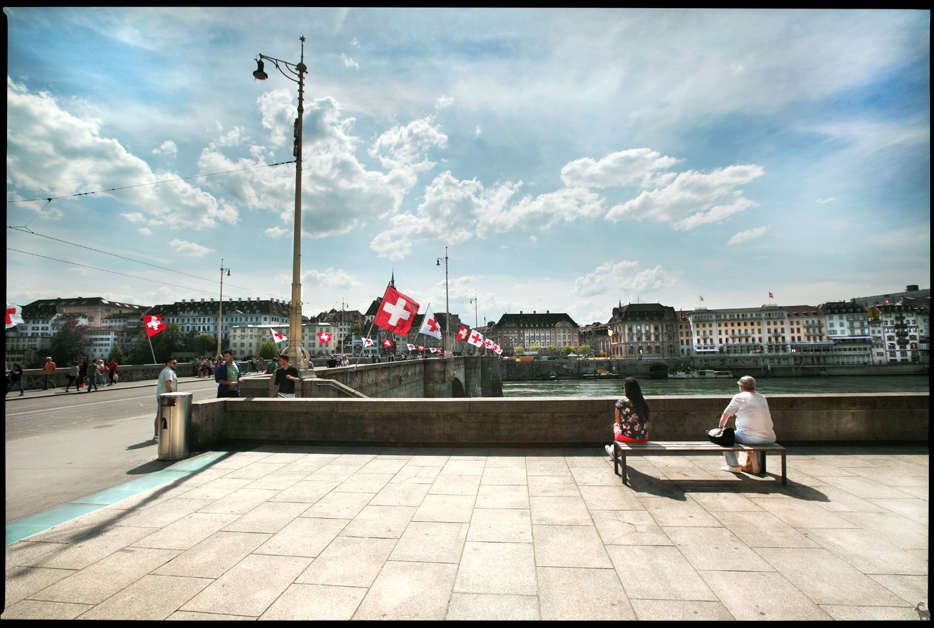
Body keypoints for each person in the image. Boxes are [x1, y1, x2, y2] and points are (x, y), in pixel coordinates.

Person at [718, 375, 776, 473]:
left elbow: (725, 415)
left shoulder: (739, 397)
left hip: (751, 438)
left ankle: (733, 465)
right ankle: (757, 464)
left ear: (740, 387)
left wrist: (720, 429)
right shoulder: (761, 397)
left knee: (725, 438)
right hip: (770, 437)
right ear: (754, 386)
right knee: (752, 433)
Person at [605, 377, 651, 457]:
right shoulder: (643, 403)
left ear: (627, 389)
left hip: (626, 438)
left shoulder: (621, 403)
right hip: (643, 438)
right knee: (629, 434)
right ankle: (615, 452)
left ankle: (614, 451)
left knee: (616, 426)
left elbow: (618, 421)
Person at [155, 356, 178, 440]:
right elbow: (168, 385)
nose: (176, 364)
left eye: (176, 363)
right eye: (174, 363)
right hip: (166, 396)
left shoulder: (167, 371)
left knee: (160, 414)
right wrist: (174, 396)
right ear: (168, 363)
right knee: (164, 415)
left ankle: (157, 433)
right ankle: (159, 433)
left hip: (163, 396)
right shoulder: (168, 372)